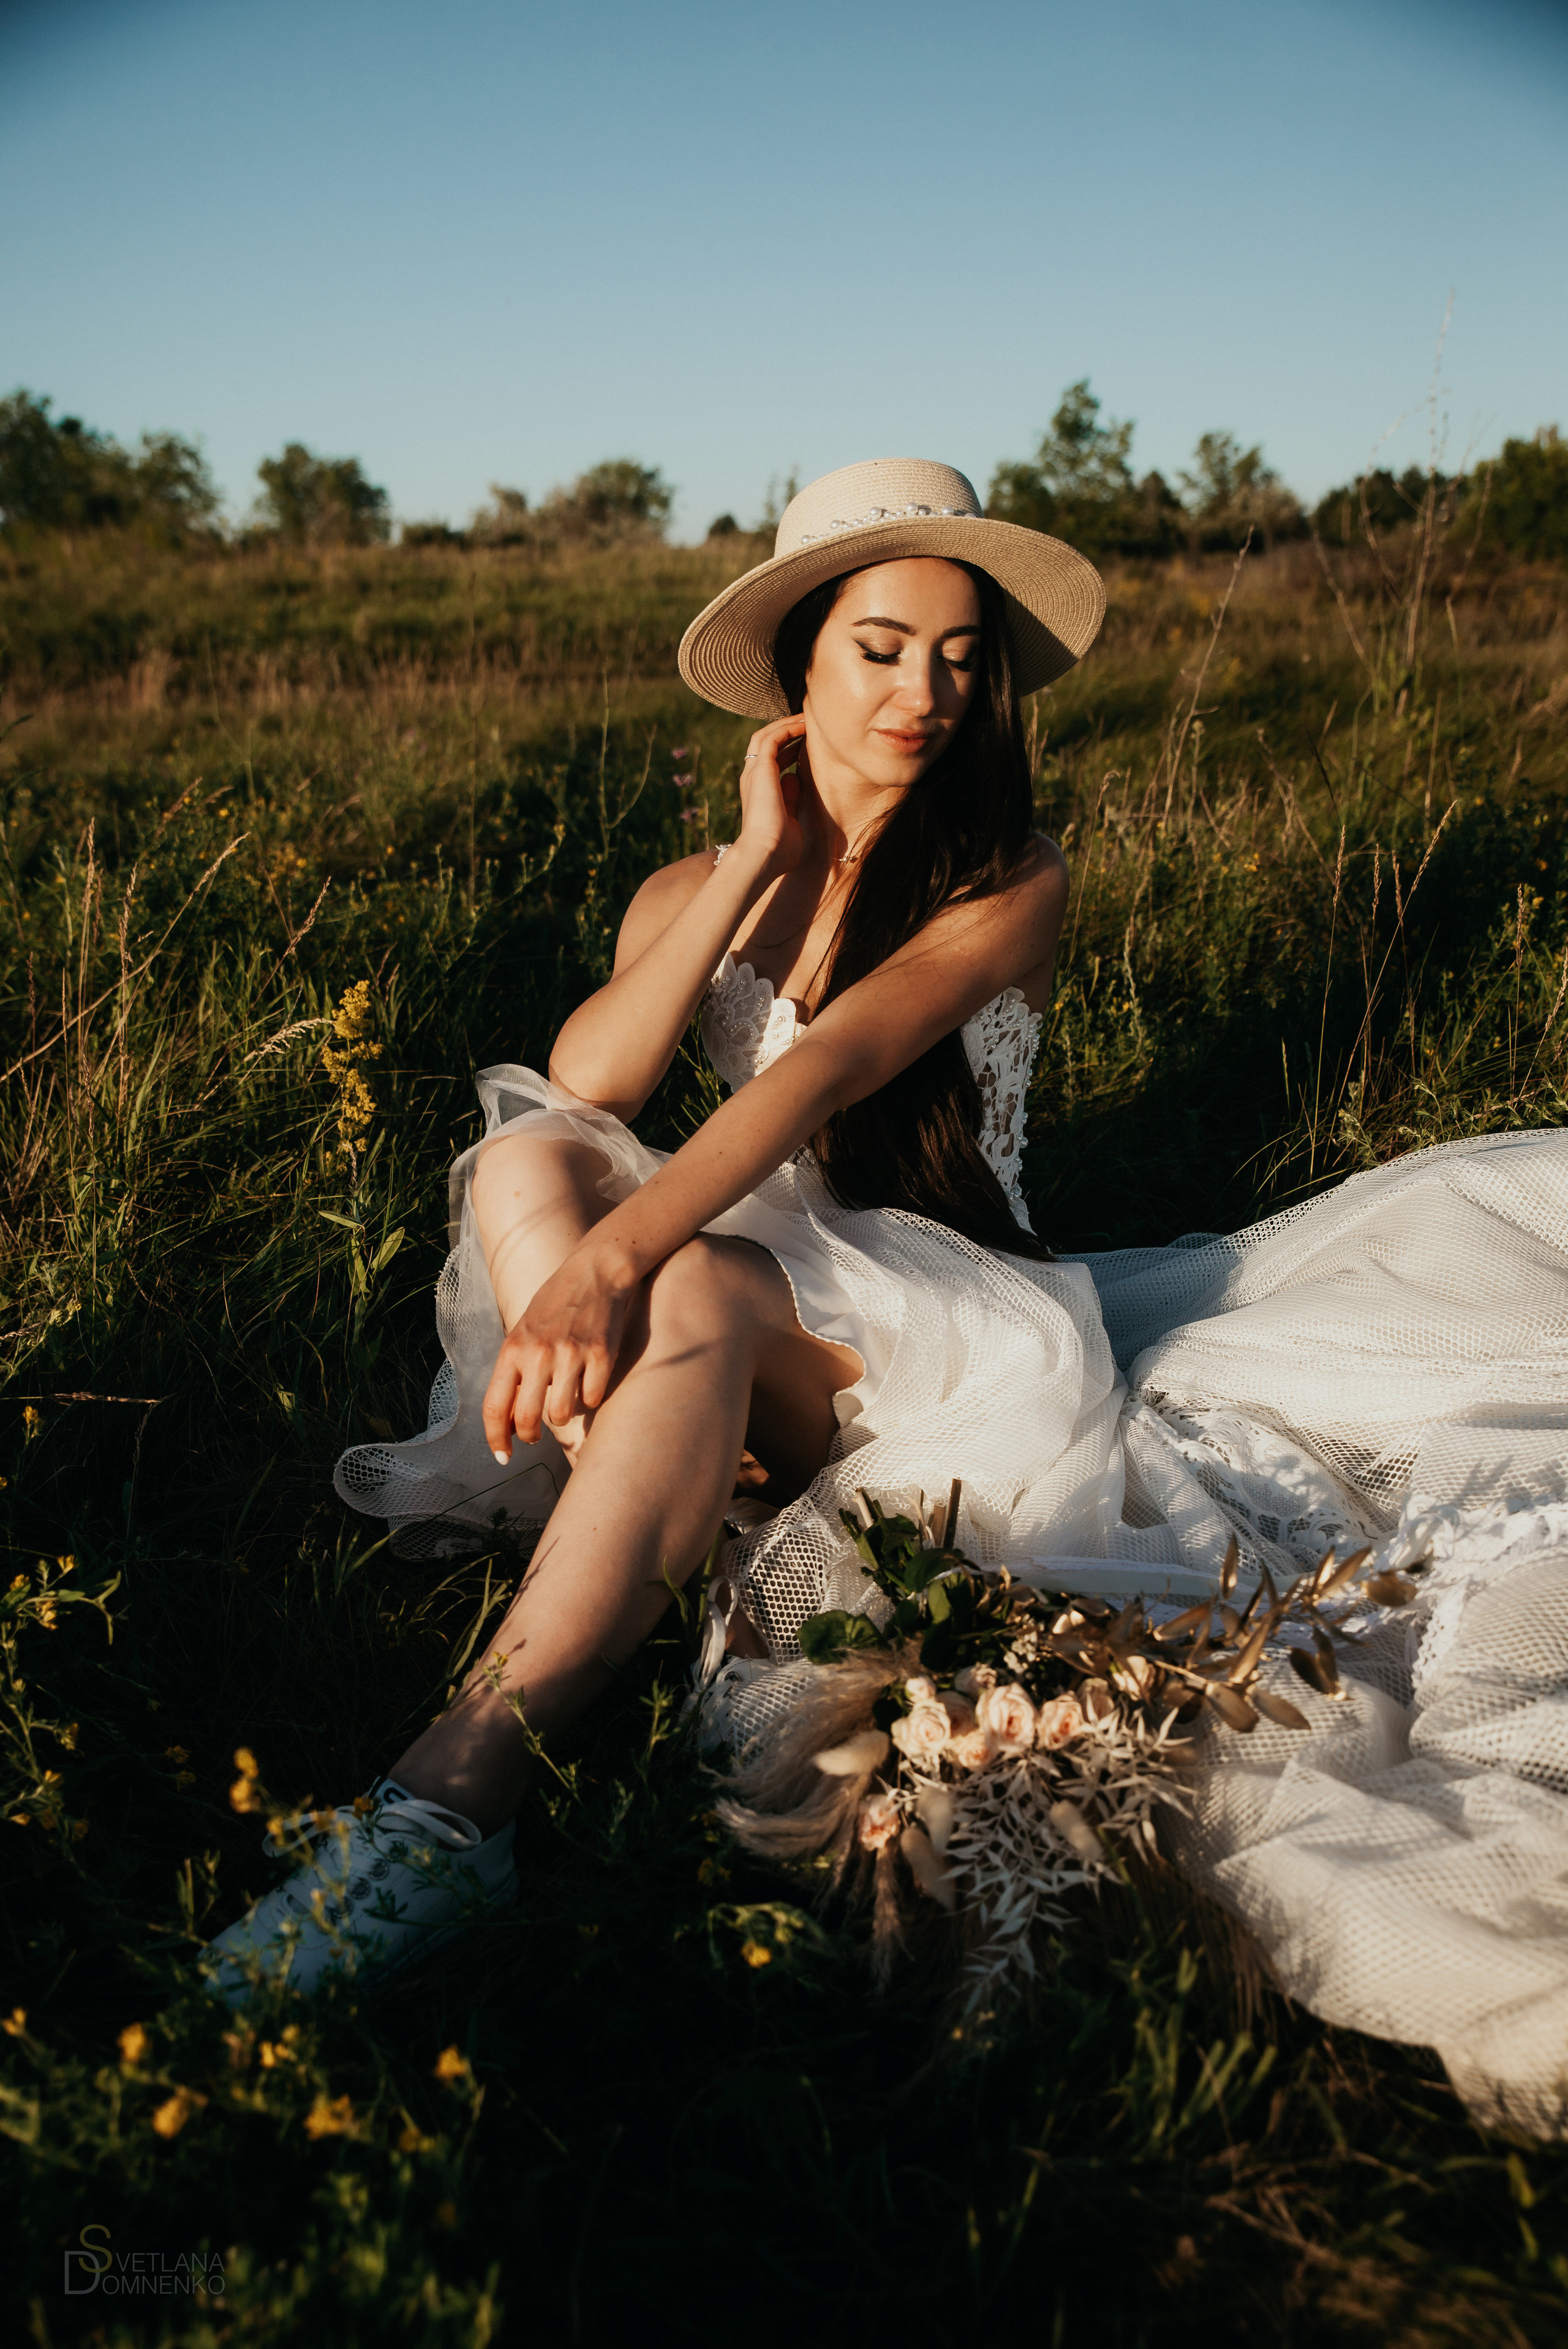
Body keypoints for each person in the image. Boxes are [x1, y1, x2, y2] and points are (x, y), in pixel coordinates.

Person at [206, 463, 1568, 2146]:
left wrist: (617, 1263)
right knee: (524, 1158)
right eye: (879, 649)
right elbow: (590, 1077)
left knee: (675, 1251)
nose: (928, 692)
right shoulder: (704, 880)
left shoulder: (1008, 875)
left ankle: (454, 1786)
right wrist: (751, 858)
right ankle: (655, 1480)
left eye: (958, 656)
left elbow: (828, 1068)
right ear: (799, 666)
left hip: (952, 1324)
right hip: (742, 1300)